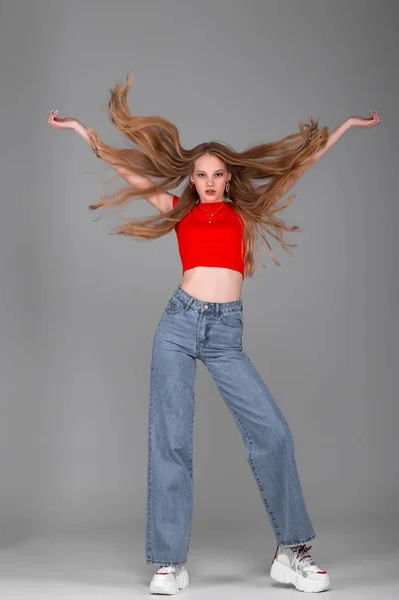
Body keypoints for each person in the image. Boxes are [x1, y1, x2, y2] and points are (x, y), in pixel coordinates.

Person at [47, 73, 382, 595]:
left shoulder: (245, 214)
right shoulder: (178, 210)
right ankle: (168, 563)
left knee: (273, 432)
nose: (207, 181)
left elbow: (299, 168)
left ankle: (292, 552)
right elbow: (126, 170)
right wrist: (78, 131)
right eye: (200, 174)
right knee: (172, 442)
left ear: (228, 179)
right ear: (193, 179)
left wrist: (345, 128)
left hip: (225, 335)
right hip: (178, 325)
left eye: (217, 174)